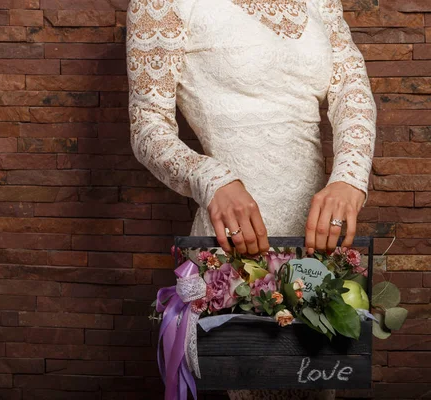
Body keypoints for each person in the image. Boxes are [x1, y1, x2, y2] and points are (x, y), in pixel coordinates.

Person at [125, 0, 376, 399]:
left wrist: (349, 178)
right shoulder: (164, 4)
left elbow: (351, 91)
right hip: (233, 253)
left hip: (317, 248)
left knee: (317, 388)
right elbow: (147, 129)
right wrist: (213, 179)